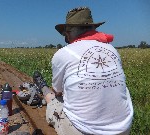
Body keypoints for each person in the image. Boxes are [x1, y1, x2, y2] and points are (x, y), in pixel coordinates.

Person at [32, 7, 134, 135]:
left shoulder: (63, 53)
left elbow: (58, 90)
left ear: (69, 32)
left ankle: (42, 86)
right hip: (123, 129)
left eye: (65, 35)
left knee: (53, 100)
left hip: (84, 131)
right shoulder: (112, 50)